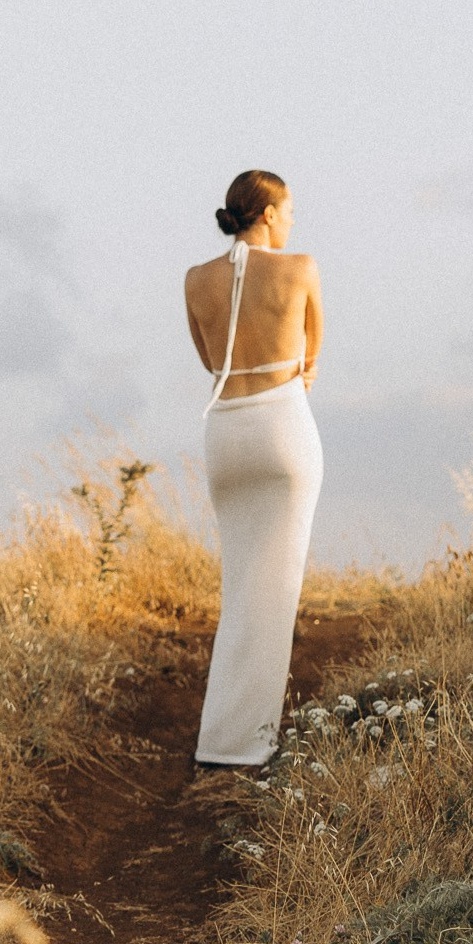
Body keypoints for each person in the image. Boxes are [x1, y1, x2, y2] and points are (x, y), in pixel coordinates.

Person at [183, 169, 324, 765]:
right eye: (288, 210)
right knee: (277, 588)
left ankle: (222, 739)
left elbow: (208, 357)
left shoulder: (195, 280)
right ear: (267, 213)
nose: (292, 221)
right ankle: (250, 745)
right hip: (281, 426)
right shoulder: (300, 268)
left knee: (241, 587)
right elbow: (311, 357)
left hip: (225, 431)